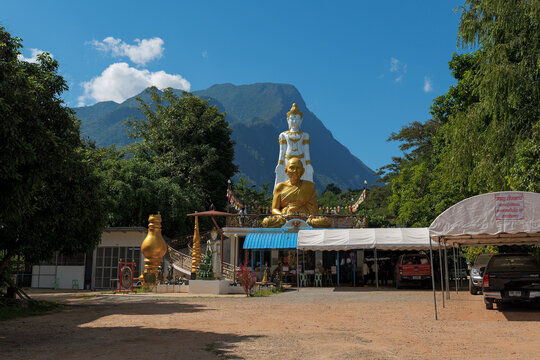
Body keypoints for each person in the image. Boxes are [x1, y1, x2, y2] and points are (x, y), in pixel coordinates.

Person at [274, 103, 314, 188]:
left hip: (301, 159)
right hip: (288, 159)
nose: (294, 121)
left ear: (301, 120)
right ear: (288, 120)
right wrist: (280, 164)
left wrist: (308, 164)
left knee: (301, 180)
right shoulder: (283, 135)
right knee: (287, 180)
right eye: (292, 118)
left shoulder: (305, 135)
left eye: (297, 119)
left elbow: (306, 151)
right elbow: (282, 151)